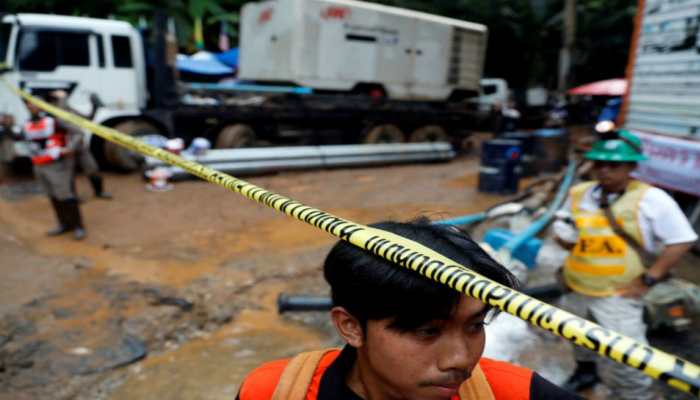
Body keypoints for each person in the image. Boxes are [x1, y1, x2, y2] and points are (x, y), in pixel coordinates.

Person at [237, 218, 581, 399]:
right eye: (427, 331)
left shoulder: (515, 394)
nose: (460, 359)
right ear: (351, 326)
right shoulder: (274, 392)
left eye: (475, 326)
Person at [553, 130, 697, 399]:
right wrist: (565, 239)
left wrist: (649, 279)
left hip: (618, 295)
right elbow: (568, 227)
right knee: (577, 336)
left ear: (631, 166)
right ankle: (586, 371)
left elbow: (682, 241)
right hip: (576, 285)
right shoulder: (580, 193)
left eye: (614, 165)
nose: (604, 170)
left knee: (628, 356)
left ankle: (636, 394)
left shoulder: (652, 199)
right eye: (599, 163)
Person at [22, 97, 87, 240]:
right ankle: (64, 224)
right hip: (38, 165)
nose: (32, 106)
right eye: (29, 103)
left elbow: (78, 132)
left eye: (35, 102)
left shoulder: (54, 120)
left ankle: (78, 226)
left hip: (57, 166)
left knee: (65, 195)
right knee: (52, 195)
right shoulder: (27, 123)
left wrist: (70, 148)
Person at [47, 90, 112, 199]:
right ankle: (72, 197)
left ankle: (99, 192)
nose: (64, 100)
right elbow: (67, 124)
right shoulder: (54, 113)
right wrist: (62, 97)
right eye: (60, 99)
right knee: (68, 174)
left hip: (80, 146)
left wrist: (94, 106)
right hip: (67, 148)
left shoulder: (69, 110)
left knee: (92, 169)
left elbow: (87, 119)